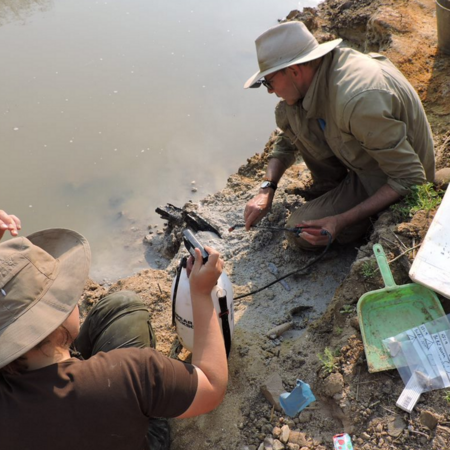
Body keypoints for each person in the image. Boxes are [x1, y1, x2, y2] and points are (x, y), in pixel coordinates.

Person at [0, 226, 228, 450]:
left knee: (118, 305)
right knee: (126, 306)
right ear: (57, 316)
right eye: (66, 294)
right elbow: (212, 386)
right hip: (123, 432)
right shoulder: (131, 373)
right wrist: (201, 294)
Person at [243, 21, 435, 250]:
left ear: (294, 70)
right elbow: (288, 140)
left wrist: (340, 221)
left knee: (299, 231)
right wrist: (267, 189)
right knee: (290, 111)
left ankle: (358, 218)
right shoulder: (318, 75)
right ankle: (334, 191)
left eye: (269, 81)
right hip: (372, 156)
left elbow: (410, 177)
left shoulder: (356, 99)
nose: (270, 91)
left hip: (394, 179)